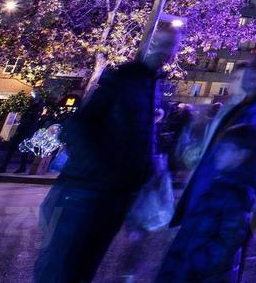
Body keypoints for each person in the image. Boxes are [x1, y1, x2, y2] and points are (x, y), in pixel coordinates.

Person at [34, 28, 178, 283]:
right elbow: (77, 126)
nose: (164, 52)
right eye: (159, 44)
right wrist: (103, 171)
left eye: (170, 46)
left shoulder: (152, 85)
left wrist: (144, 172)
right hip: (88, 191)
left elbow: (137, 138)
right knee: (62, 269)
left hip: (113, 196)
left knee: (81, 268)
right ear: (146, 44)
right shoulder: (123, 80)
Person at [171, 50, 256, 249]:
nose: (249, 72)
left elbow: (251, 157)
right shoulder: (251, 103)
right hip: (215, 198)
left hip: (224, 204)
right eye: (250, 66)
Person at [156, 124, 256, 282]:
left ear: (241, 155)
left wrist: (193, 264)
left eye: (226, 149)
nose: (218, 153)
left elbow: (228, 241)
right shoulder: (223, 182)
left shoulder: (236, 191)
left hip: (200, 275)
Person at [0, 95, 45, 174]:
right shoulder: (32, 108)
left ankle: (17, 167)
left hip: (26, 132)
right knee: (15, 149)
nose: (31, 100)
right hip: (24, 131)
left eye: (33, 99)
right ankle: (7, 166)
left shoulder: (36, 109)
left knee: (22, 150)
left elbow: (30, 120)